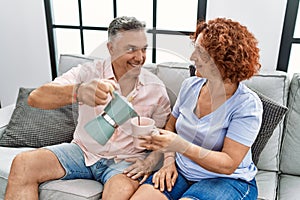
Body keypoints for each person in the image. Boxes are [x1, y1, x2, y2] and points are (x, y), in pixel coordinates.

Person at [5, 16, 171, 200]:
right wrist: (78, 92)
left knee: (119, 192)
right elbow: (35, 98)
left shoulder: (155, 88)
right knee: (23, 163)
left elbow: (166, 135)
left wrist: (150, 161)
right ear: (111, 48)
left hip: (124, 161)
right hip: (82, 152)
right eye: (131, 49)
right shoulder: (87, 73)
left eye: (144, 49)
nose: (140, 58)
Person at [130, 17, 263, 200]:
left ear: (223, 61)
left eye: (200, 52)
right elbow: (170, 127)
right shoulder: (190, 86)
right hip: (182, 171)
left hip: (227, 180)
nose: (192, 58)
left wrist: (180, 145)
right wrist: (169, 161)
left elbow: (228, 164)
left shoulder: (247, 105)